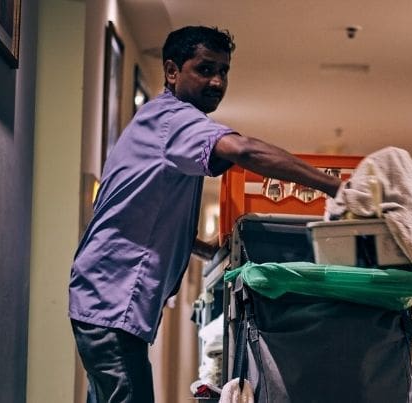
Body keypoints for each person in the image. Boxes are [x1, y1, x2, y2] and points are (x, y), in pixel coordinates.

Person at [68, 26, 342, 403]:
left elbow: (136, 210)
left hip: (102, 299)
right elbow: (242, 150)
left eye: (224, 71)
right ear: (171, 71)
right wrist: (334, 187)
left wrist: (202, 246)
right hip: (110, 301)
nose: (217, 80)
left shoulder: (158, 121)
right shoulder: (174, 119)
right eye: (205, 69)